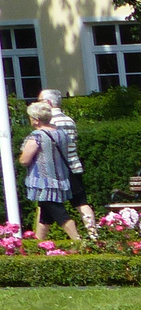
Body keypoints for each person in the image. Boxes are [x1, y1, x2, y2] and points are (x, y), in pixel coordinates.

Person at [17, 102, 80, 241]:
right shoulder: (60, 132)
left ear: (36, 119)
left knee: (59, 213)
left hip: (44, 182)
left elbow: (25, 160)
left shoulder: (37, 136)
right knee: (45, 214)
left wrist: (21, 158)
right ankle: (38, 243)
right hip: (60, 178)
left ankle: (78, 241)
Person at [40, 89, 93, 228]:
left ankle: (37, 242)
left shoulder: (50, 122)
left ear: (48, 102)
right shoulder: (69, 120)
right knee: (81, 203)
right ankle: (94, 234)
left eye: (40, 101)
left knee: (48, 204)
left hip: (58, 170)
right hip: (73, 166)